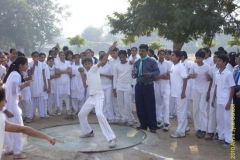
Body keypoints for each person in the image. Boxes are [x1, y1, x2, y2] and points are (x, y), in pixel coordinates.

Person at [0, 88, 63, 159]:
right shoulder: (1, 118)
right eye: (3, 100)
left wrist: (47, 137)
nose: (6, 101)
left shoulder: (2, 118)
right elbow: (23, 129)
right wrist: (47, 137)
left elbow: (23, 129)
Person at [78, 41, 118, 148]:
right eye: (85, 64)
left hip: (99, 96)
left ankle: (111, 138)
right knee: (81, 114)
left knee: (99, 115)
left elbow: (104, 60)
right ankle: (88, 132)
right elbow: (86, 86)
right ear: (83, 65)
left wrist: (110, 49)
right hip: (91, 97)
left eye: (89, 63)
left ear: (91, 63)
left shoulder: (94, 68)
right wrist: (82, 75)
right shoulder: (87, 73)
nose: (87, 65)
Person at [2, 56, 32, 158]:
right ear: (21, 65)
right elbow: (14, 90)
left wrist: (17, 95)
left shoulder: (12, 74)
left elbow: (9, 89)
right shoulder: (16, 75)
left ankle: (8, 149)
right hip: (12, 106)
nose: (27, 66)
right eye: (26, 64)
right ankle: (17, 152)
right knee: (19, 128)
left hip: (8, 105)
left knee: (9, 129)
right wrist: (25, 85)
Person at [132, 44, 160, 133]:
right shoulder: (137, 62)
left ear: (147, 52)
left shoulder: (152, 61)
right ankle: (143, 125)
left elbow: (157, 71)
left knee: (150, 106)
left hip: (148, 85)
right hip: (139, 85)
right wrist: (135, 73)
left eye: (143, 51)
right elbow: (134, 75)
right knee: (140, 106)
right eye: (140, 51)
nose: (141, 52)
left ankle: (152, 126)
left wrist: (150, 74)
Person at [212, 54, 235, 148]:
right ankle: (221, 136)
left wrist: (229, 102)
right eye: (217, 60)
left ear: (224, 63)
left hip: (226, 100)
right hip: (219, 99)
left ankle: (228, 140)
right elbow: (216, 86)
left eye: (219, 61)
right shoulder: (217, 73)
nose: (217, 62)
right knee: (220, 119)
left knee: (228, 120)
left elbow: (232, 88)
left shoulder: (228, 73)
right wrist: (213, 98)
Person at [189, 50, 211, 139]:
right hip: (195, 88)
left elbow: (210, 79)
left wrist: (208, 77)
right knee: (196, 108)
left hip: (204, 89)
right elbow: (189, 75)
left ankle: (203, 129)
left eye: (199, 58)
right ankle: (198, 128)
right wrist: (192, 76)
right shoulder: (193, 65)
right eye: (197, 58)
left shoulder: (207, 66)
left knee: (202, 109)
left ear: (203, 58)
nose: (198, 60)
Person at [113, 50, 136, 126]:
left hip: (128, 86)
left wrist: (132, 84)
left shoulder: (131, 64)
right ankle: (123, 118)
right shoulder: (116, 65)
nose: (122, 59)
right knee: (120, 103)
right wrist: (114, 88)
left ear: (126, 56)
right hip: (119, 86)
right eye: (120, 57)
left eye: (123, 57)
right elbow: (115, 77)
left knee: (127, 103)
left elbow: (134, 75)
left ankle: (130, 119)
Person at [169, 51, 188, 138]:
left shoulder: (180, 66)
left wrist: (183, 92)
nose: (171, 56)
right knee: (180, 112)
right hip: (175, 93)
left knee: (181, 113)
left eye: (173, 55)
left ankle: (180, 131)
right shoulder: (173, 65)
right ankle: (184, 128)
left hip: (180, 93)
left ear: (178, 57)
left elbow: (185, 79)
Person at [205, 51, 222, 140]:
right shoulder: (212, 68)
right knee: (211, 112)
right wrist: (208, 93)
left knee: (219, 114)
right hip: (212, 92)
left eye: (217, 58)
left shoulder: (226, 70)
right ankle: (210, 132)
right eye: (214, 57)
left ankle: (219, 133)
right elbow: (211, 82)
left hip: (222, 93)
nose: (214, 59)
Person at [154, 50, 171, 131]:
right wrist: (162, 76)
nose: (161, 56)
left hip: (166, 85)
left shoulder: (168, 63)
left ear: (165, 55)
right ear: (157, 55)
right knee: (158, 104)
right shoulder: (155, 63)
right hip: (157, 85)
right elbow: (154, 78)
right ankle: (159, 121)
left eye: (163, 54)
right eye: (160, 54)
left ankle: (166, 122)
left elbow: (169, 76)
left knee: (166, 103)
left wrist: (159, 77)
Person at [29, 51, 46, 118]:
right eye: (34, 56)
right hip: (33, 84)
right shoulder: (30, 64)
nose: (36, 57)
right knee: (33, 99)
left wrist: (45, 84)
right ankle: (32, 113)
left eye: (37, 56)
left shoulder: (41, 64)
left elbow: (43, 75)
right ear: (32, 57)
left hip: (40, 84)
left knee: (40, 99)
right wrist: (34, 64)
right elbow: (31, 73)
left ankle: (42, 114)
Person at [99, 52, 115, 123]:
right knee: (103, 102)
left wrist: (104, 75)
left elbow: (112, 77)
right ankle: (104, 117)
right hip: (101, 86)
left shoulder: (109, 66)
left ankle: (111, 117)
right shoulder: (98, 66)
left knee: (109, 101)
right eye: (101, 59)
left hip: (108, 85)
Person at [55, 51, 72, 116]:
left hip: (67, 81)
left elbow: (70, 71)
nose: (62, 57)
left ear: (65, 56)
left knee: (67, 96)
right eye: (61, 55)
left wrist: (61, 71)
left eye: (63, 55)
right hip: (59, 82)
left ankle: (68, 110)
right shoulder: (57, 63)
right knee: (60, 96)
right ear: (59, 56)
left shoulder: (68, 62)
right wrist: (66, 71)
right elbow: (56, 72)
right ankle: (60, 110)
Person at [108, 47, 121, 123]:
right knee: (114, 99)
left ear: (117, 51)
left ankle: (123, 116)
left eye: (114, 53)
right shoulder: (110, 61)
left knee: (122, 100)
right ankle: (117, 115)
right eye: (111, 53)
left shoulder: (122, 60)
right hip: (113, 82)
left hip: (122, 82)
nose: (113, 54)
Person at [181, 51, 193, 118]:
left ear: (183, 56)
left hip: (187, 82)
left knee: (187, 97)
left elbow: (190, 73)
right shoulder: (182, 63)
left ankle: (187, 112)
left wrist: (185, 77)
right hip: (182, 82)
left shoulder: (188, 63)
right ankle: (184, 111)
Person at [39, 53, 51, 118]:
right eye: (41, 57)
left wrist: (48, 86)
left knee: (45, 100)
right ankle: (41, 113)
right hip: (38, 85)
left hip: (45, 84)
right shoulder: (35, 65)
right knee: (39, 100)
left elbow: (48, 77)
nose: (42, 59)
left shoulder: (45, 65)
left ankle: (45, 113)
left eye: (44, 57)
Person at [233, 53, 240, 141]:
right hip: (235, 90)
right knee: (235, 113)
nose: (238, 59)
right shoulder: (236, 68)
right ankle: (236, 133)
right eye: (238, 58)